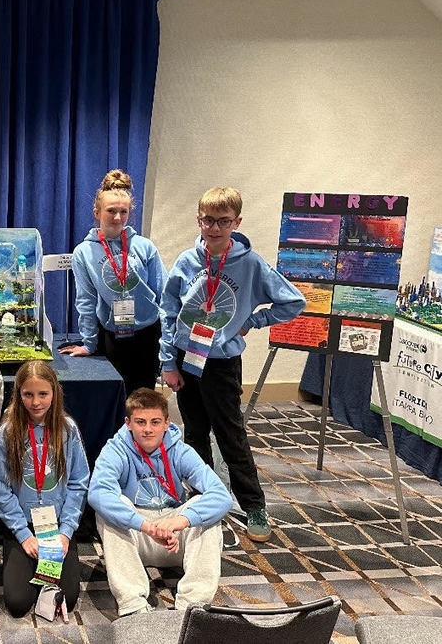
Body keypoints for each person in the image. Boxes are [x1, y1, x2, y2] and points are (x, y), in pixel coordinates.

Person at [160, 187, 305, 542]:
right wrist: (167, 362)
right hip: (185, 357)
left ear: (236, 222)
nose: (214, 228)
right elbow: (168, 311)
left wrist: (251, 322)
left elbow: (294, 301)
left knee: (230, 434)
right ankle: (202, 496)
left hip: (221, 361)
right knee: (193, 432)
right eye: (208, 220)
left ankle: (254, 504)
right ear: (199, 220)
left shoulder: (250, 264)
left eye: (224, 221)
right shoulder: (186, 261)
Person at [89, 388, 232, 615]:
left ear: (167, 423)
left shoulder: (181, 450)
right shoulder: (115, 449)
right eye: (140, 422)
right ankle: (133, 604)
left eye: (155, 422)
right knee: (109, 510)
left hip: (174, 535)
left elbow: (221, 495)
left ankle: (193, 606)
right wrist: (146, 526)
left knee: (206, 513)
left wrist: (182, 521)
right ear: (128, 423)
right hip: (137, 535)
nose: (147, 429)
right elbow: (98, 493)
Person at [0, 361, 89, 617]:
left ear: (54, 393)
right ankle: (30, 568)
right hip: (21, 524)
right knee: (17, 603)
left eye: (43, 394)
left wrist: (66, 533)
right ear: (19, 394)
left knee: (67, 597)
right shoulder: (9, 432)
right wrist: (24, 535)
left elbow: (79, 483)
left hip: (56, 525)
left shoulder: (67, 429)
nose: (36, 402)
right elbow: (1, 488)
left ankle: (47, 568)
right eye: (28, 394)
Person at [61, 170, 167, 396]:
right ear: (97, 212)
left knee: (142, 399)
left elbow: (163, 294)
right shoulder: (84, 252)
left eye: (123, 211)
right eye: (111, 211)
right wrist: (89, 343)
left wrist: (168, 341)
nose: (117, 218)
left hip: (147, 333)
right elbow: (86, 300)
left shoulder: (144, 246)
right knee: (114, 398)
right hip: (112, 335)